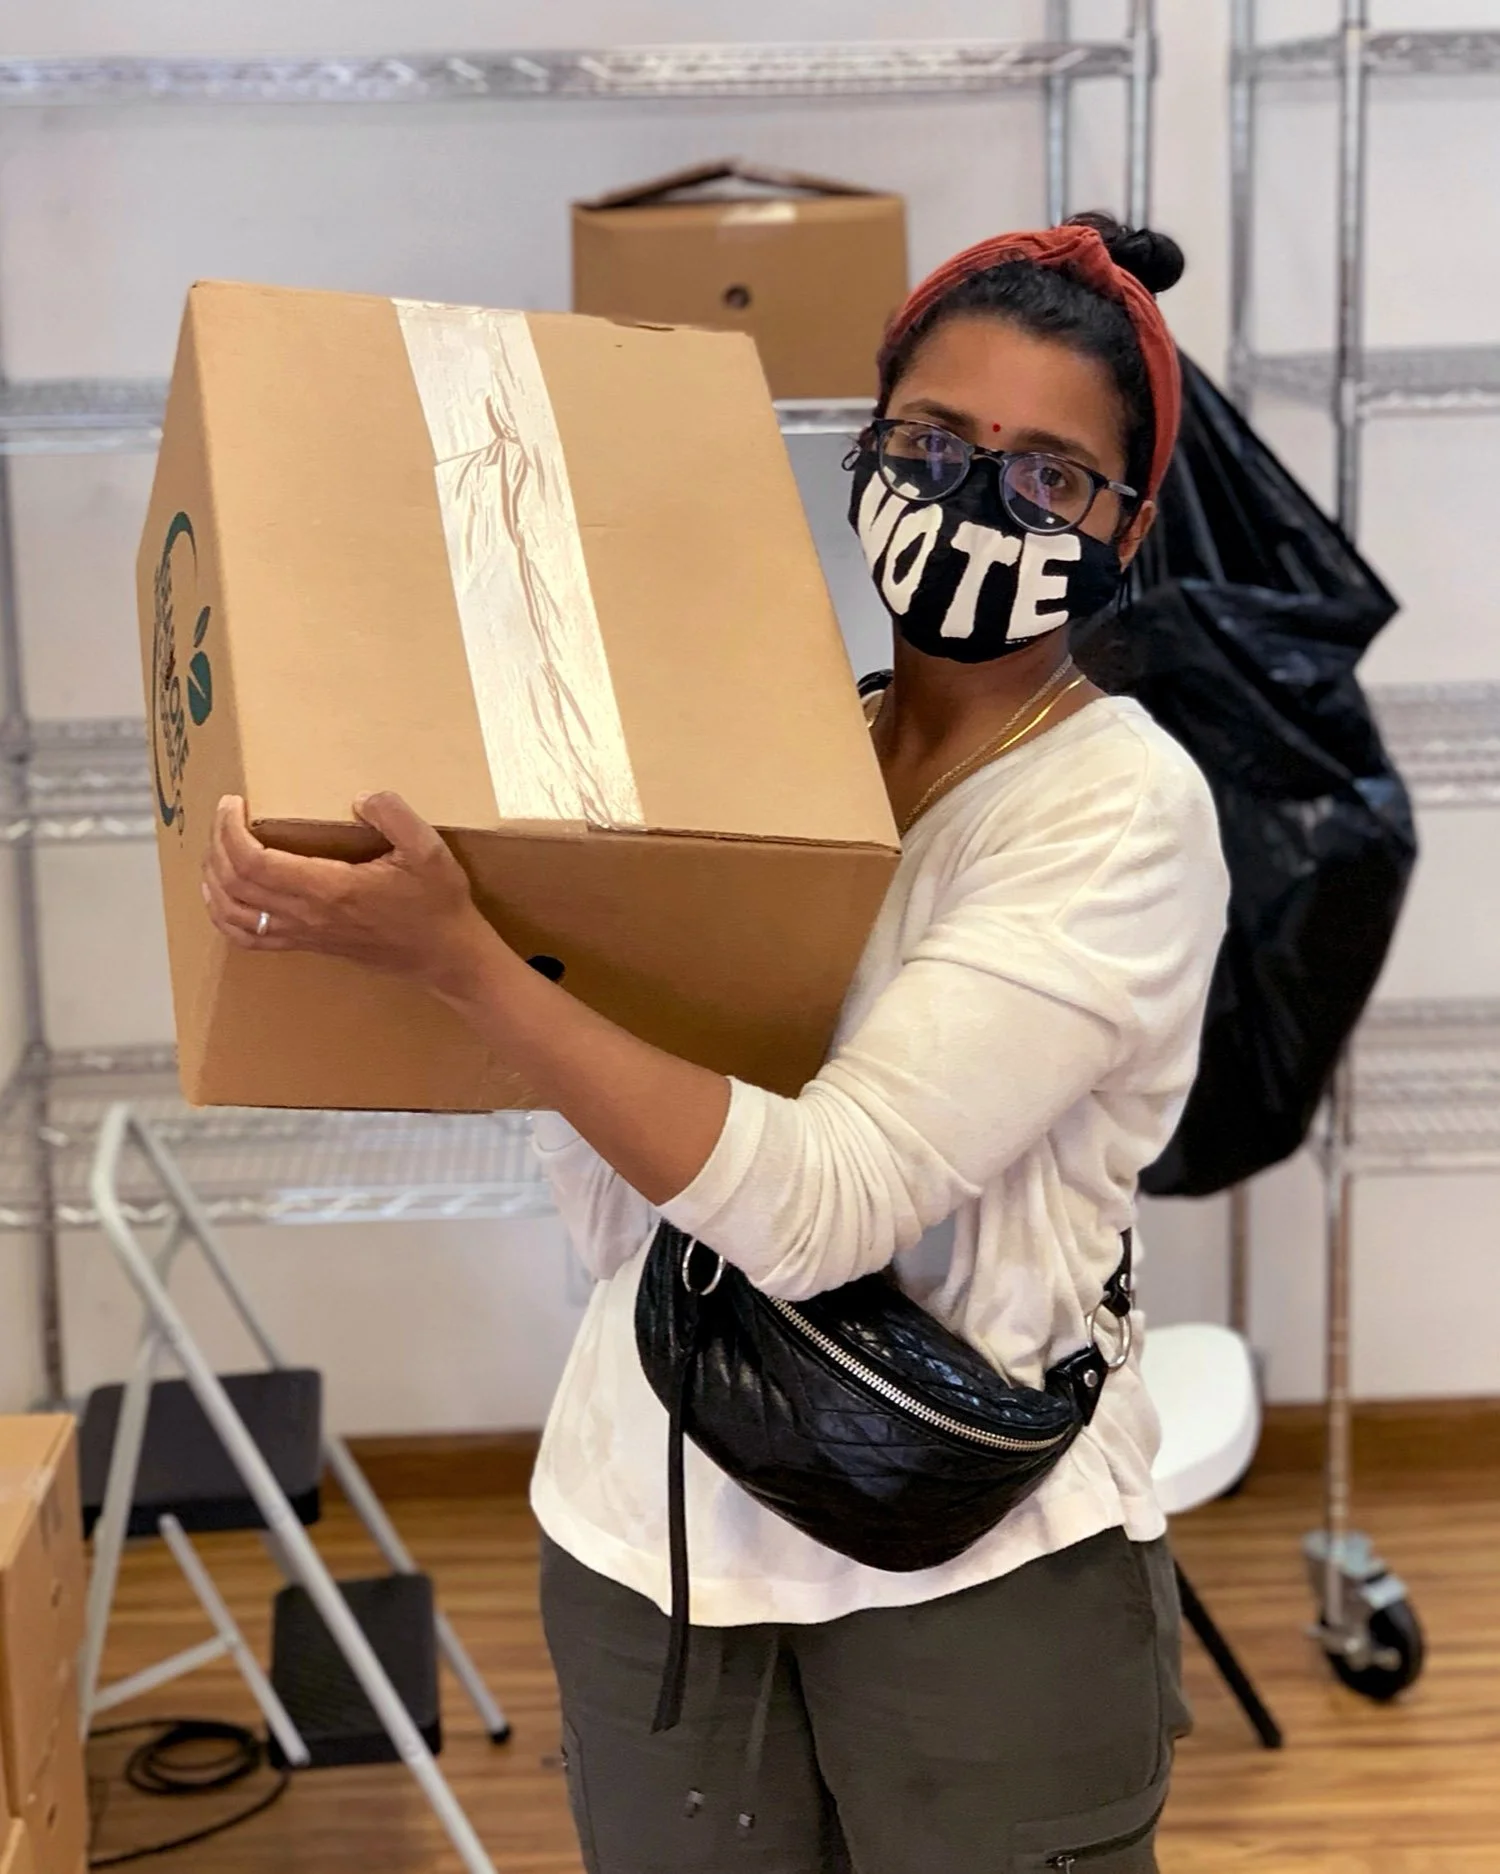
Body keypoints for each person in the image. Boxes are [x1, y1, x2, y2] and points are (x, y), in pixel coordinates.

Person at [203, 212, 1229, 1873]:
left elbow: (829, 1204)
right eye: (938, 439)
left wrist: (470, 962)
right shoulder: (786, 754)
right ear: (866, 444)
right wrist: (469, 930)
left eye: (1051, 473)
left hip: (971, 1567)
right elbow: (622, 1212)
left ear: (1128, 528)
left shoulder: (1118, 810)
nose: (982, 494)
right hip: (651, 1540)